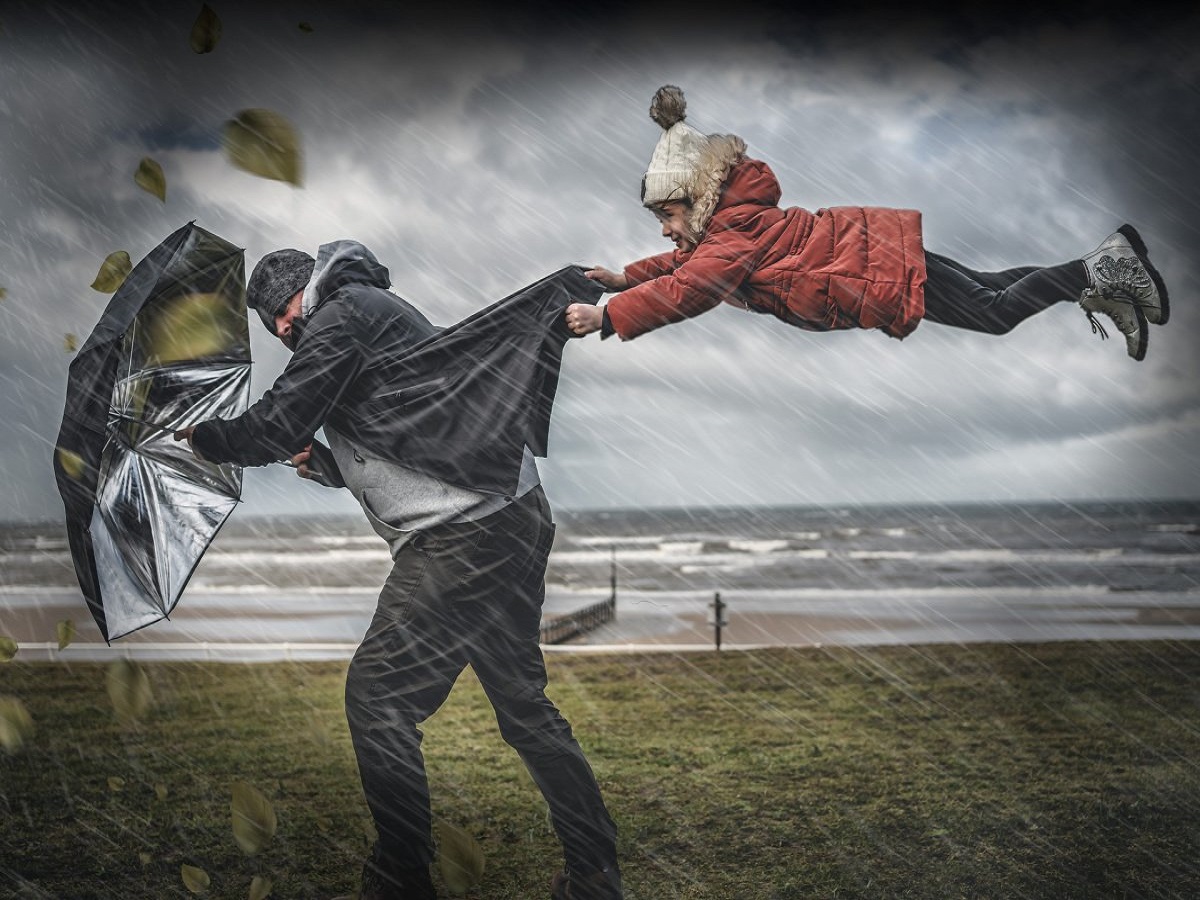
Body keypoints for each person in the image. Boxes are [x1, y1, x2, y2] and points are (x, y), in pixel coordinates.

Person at [174, 242, 622, 900]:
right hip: (509, 517)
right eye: (273, 323)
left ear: (301, 295)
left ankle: (401, 881)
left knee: (377, 698)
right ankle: (594, 872)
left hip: (462, 537)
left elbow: (273, 425)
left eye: (280, 315)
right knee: (524, 709)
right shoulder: (360, 317)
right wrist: (329, 466)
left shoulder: (341, 315)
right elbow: (409, 435)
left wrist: (204, 437)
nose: (281, 332)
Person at [564, 85, 1170, 362]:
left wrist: (610, 315)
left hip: (879, 267)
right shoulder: (729, 228)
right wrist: (624, 277)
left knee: (995, 313)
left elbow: (692, 286)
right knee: (992, 284)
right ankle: (1098, 285)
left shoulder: (729, 234)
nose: (666, 231)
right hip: (879, 252)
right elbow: (685, 267)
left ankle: (1101, 268)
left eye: (668, 214)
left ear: (696, 202)